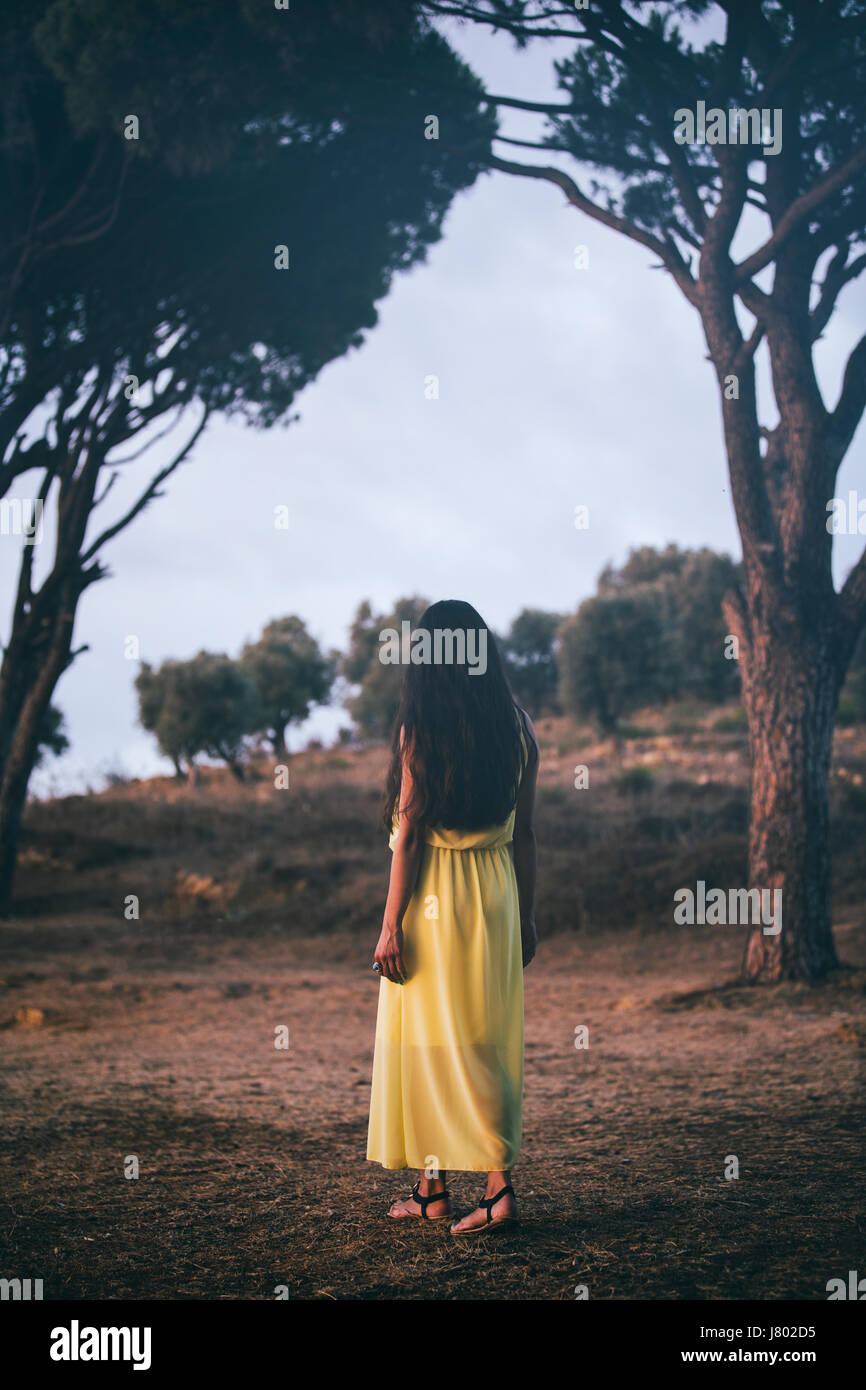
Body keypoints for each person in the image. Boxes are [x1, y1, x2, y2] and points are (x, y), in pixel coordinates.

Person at [366, 599, 538, 1235]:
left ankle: (497, 1193)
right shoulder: (517, 728)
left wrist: (390, 925)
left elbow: (409, 838)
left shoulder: (422, 732)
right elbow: (528, 836)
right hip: (494, 895)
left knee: (433, 1044)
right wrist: (528, 916)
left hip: (434, 899)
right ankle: (433, 1189)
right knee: (479, 1039)